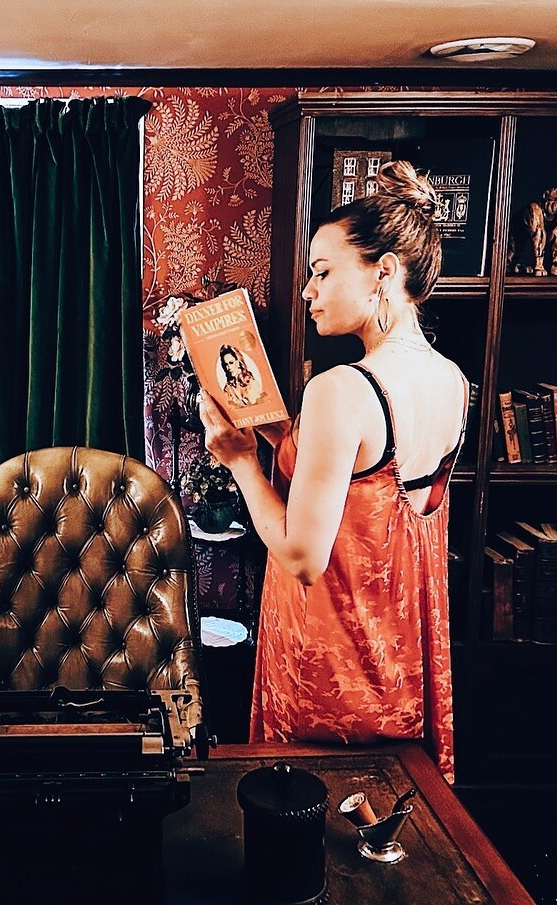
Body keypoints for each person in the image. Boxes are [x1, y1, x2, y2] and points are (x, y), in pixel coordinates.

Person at [199, 160, 468, 780]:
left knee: (304, 814)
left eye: (322, 272)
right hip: (398, 659)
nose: (307, 291)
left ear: (384, 272)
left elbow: (301, 556)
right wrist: (279, 433)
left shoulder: (341, 389)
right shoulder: (451, 380)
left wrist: (241, 462)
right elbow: (373, 492)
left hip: (331, 661)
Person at [218, 344, 265, 408]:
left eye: (231, 363)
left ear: (238, 362)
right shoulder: (228, 388)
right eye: (226, 364)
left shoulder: (251, 382)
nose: (228, 367)